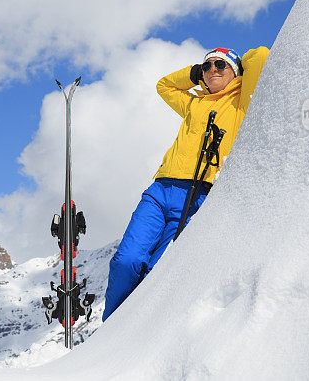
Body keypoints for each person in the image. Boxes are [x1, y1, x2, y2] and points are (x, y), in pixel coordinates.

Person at [102, 46, 270, 321]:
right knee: (126, 262)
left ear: (236, 71)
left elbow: (261, 55)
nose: (212, 70)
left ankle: (134, 332)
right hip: (160, 191)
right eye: (207, 66)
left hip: (198, 196)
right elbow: (164, 85)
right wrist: (194, 75)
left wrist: (238, 63)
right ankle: (108, 331)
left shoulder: (243, 102)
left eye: (220, 65)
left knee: (159, 273)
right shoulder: (194, 103)